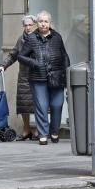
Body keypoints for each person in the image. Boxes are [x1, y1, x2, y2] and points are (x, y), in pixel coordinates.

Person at [19, 11, 70, 146]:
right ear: (38, 23)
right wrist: (34, 63)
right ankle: (43, 134)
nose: (43, 24)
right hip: (37, 78)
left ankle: (54, 131)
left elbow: (64, 56)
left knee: (57, 105)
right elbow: (21, 56)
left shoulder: (57, 37)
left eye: (46, 21)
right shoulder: (31, 38)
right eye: (41, 21)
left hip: (57, 77)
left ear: (50, 23)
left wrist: (67, 74)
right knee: (41, 106)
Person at [0, 16, 38, 141]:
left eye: (30, 25)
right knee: (24, 104)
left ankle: (39, 130)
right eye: (26, 25)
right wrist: (3, 65)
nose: (28, 27)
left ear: (35, 25)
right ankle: (26, 130)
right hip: (24, 76)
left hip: (38, 75)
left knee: (39, 104)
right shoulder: (21, 40)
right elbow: (13, 54)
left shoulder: (40, 38)